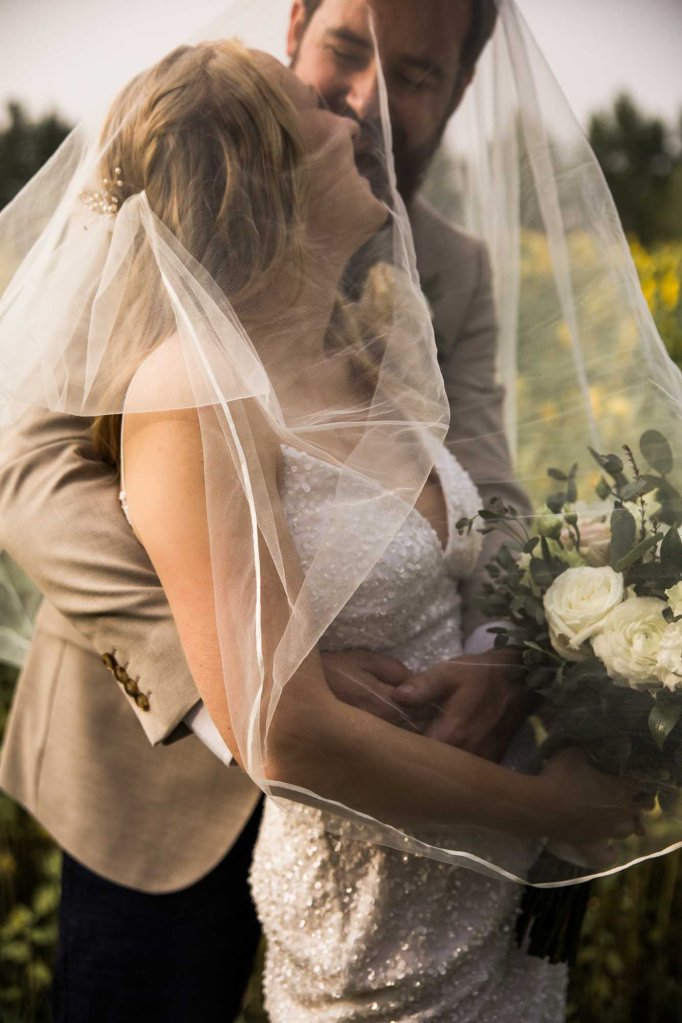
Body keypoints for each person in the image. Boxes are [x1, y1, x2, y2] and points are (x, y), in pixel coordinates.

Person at [0, 1, 531, 1019]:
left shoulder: (452, 267)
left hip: (400, 802)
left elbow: (489, 484)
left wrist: (507, 650)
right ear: (297, 23)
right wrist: (242, 675)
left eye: (415, 76)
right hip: (153, 783)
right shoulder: (160, 179)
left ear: (462, 88)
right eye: (345, 49)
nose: (366, 101)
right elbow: (31, 473)